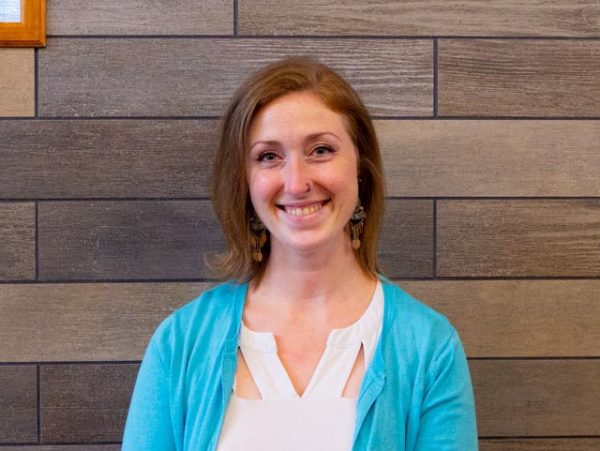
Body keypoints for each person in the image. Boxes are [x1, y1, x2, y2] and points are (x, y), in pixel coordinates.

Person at [122, 57, 478, 450]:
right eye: (269, 157)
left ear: (361, 167)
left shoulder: (429, 347)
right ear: (245, 181)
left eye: (321, 150)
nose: (296, 183)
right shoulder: (180, 344)